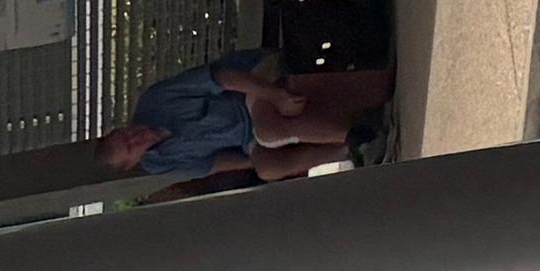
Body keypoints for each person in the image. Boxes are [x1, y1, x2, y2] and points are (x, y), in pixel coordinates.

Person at [102, 52, 392, 184]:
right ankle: (347, 148)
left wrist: (273, 96)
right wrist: (254, 158)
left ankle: (358, 134)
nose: (134, 138)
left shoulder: (155, 100)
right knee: (267, 167)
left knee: (268, 128)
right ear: (133, 163)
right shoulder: (159, 163)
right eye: (131, 147)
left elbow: (223, 78)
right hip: (246, 136)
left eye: (126, 135)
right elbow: (214, 164)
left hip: (251, 82)